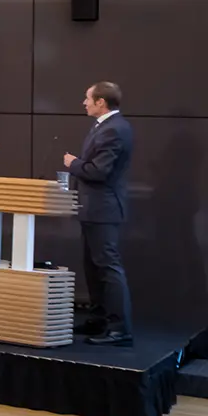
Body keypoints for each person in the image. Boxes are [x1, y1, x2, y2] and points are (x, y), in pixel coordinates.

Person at [63, 81, 135, 345]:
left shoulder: (114, 130)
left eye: (87, 98)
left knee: (107, 268)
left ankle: (119, 330)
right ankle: (99, 320)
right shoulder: (105, 127)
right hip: (93, 208)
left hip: (103, 208)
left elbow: (98, 171)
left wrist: (74, 164)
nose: (84, 102)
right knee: (93, 268)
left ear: (101, 102)